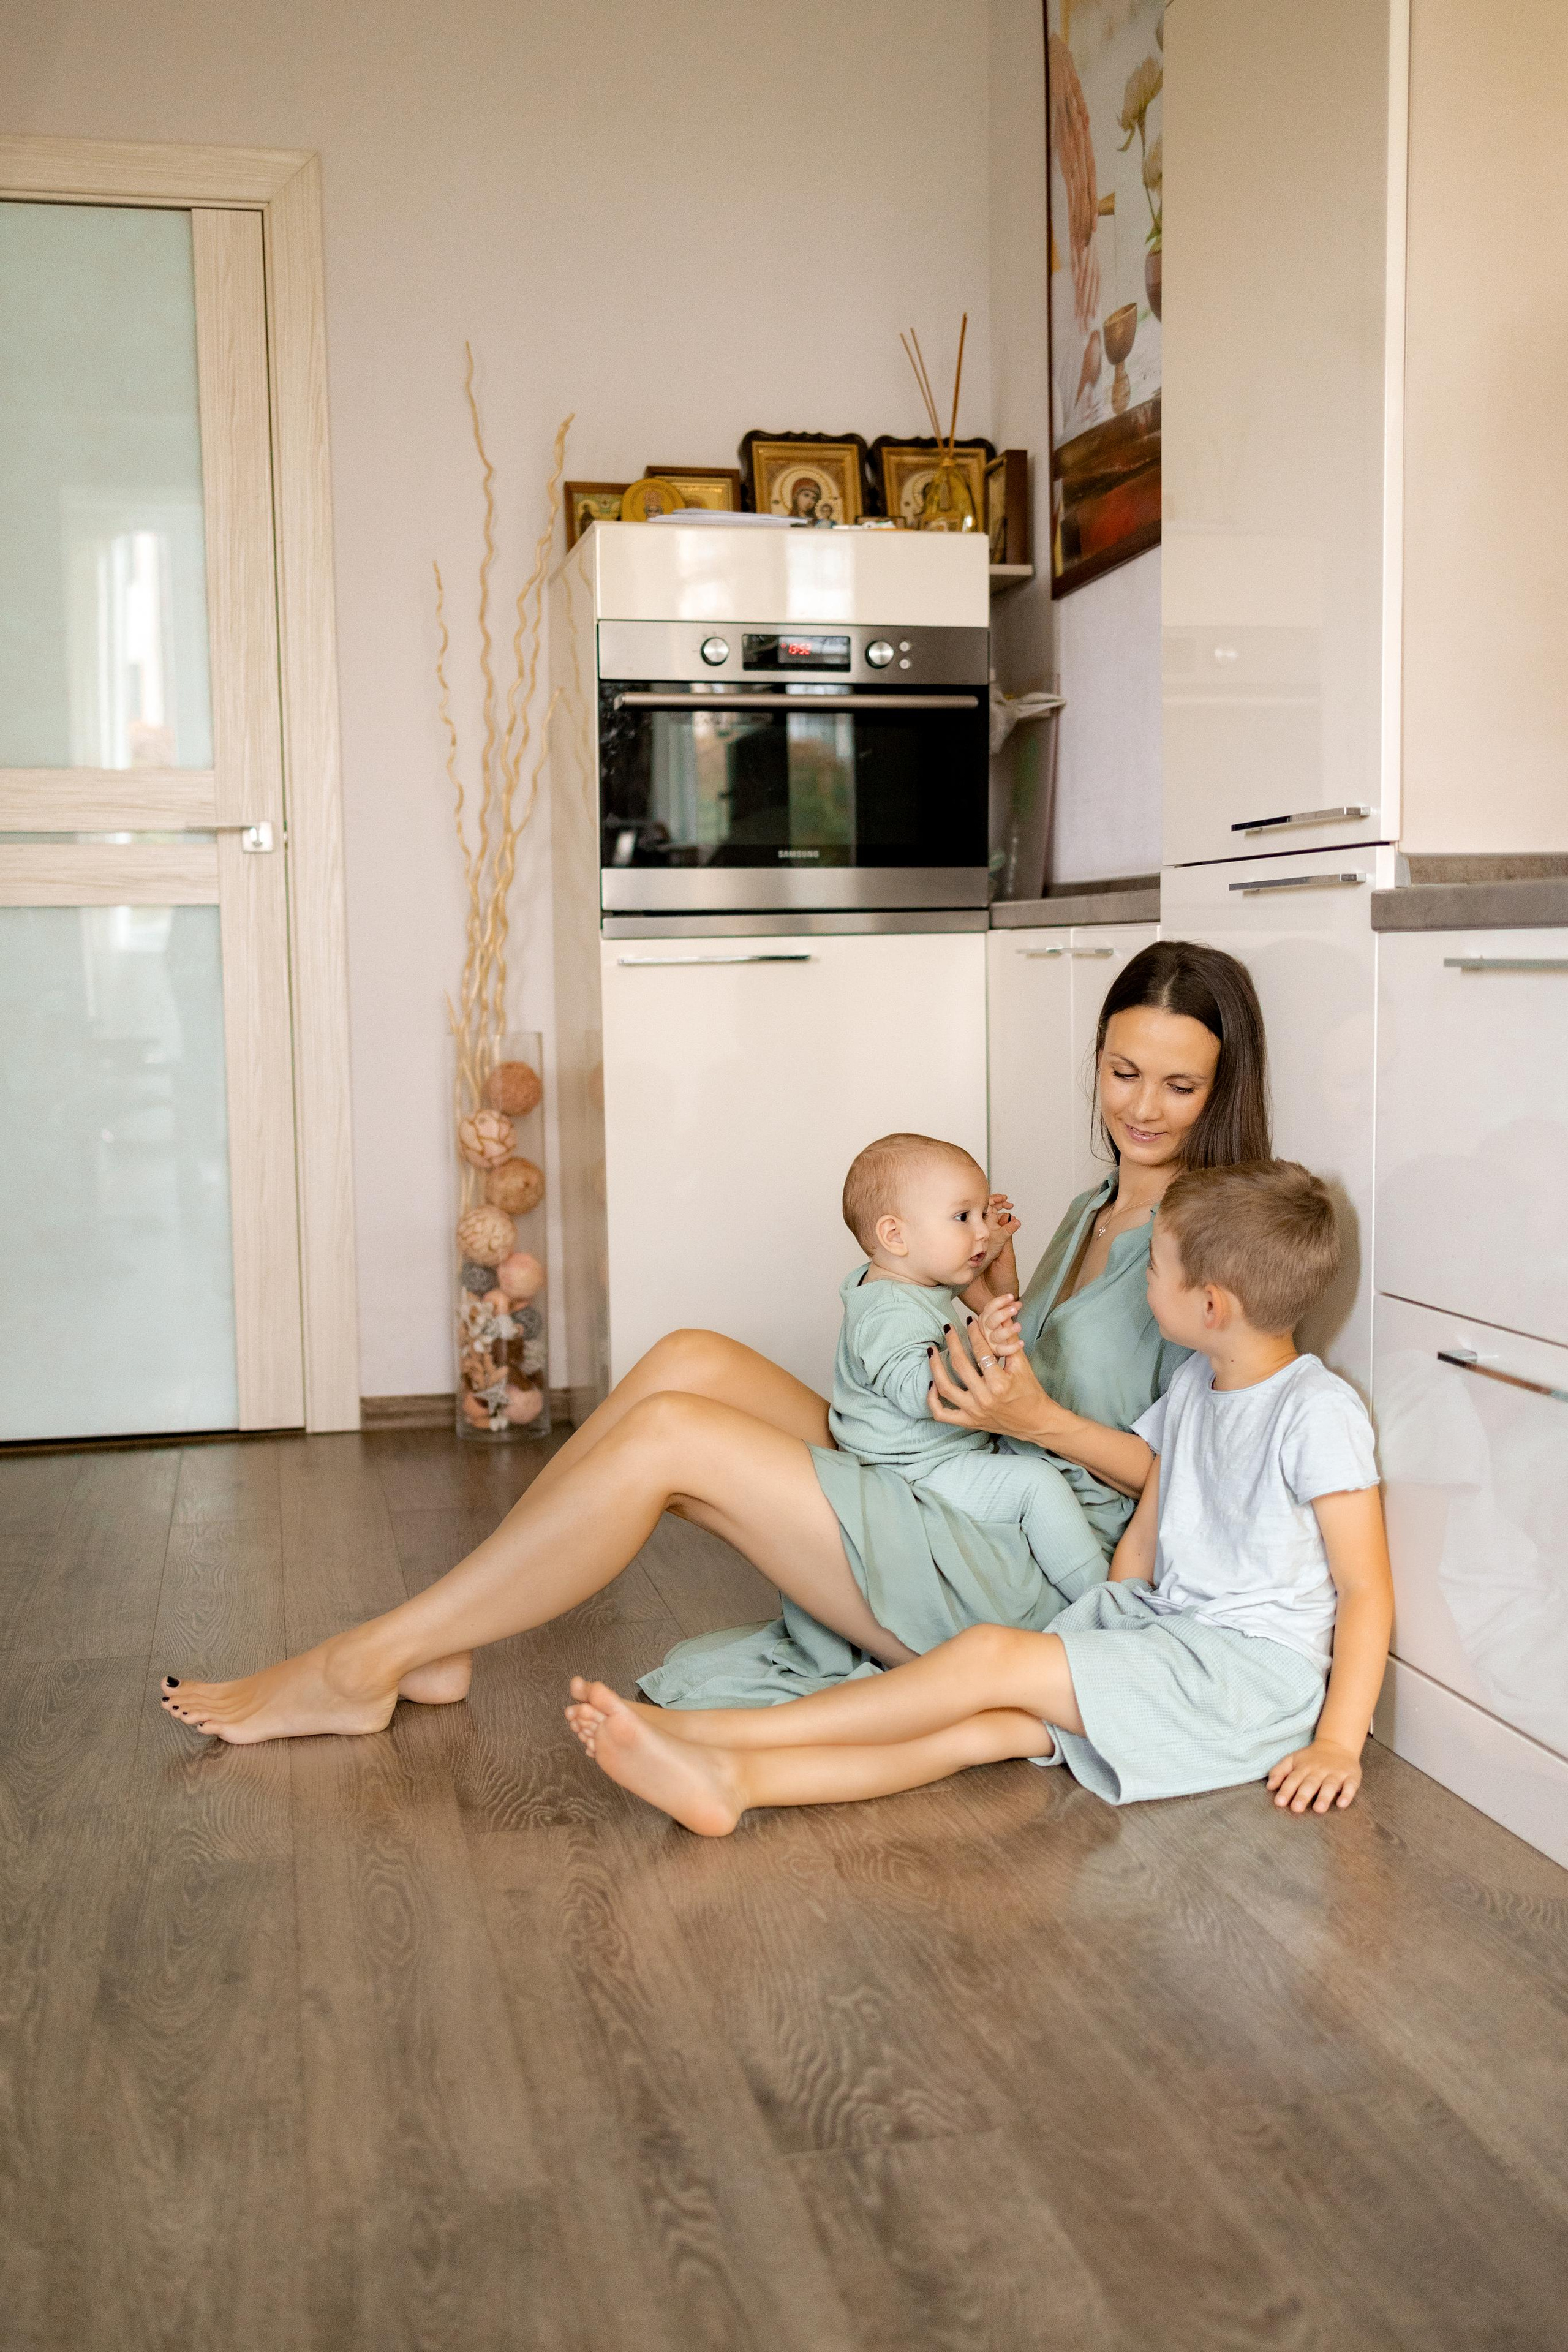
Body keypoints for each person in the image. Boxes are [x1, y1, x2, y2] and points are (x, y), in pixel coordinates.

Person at [157, 941, 1270, 1747]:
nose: (1145, 1107)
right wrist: (983, 1277)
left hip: (1038, 1566)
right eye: (1124, 1073)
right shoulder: (1088, 1210)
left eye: (1180, 1085)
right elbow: (1029, 1347)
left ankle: (367, 1662)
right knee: (690, 1355)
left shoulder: (1215, 1246)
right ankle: (440, 1632)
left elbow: (1201, 1476)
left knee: (672, 1440)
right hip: (972, 1468)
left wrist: (1038, 1422)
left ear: (1221, 1090)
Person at [563, 1161, 1393, 1833]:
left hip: (1242, 1679)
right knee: (981, 1729)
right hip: (1173, 1640)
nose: (1147, 1285)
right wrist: (1112, 1611)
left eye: (1159, 1270)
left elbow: (1364, 1591)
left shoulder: (1315, 1410)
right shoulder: (1198, 1389)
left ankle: (704, 1735)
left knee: (990, 1659)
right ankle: (738, 1783)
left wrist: (1338, 1744)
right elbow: (1154, 1521)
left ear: (1211, 1305)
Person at [830, 1133, 1110, 1577]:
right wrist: (985, 1350)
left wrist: (986, 1255)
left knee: (1034, 1464)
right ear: (895, 1235)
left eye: (983, 1213)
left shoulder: (906, 1281)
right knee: (1038, 1487)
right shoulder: (887, 1314)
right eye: (962, 1217)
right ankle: (1098, 1597)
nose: (982, 1229)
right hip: (912, 1475)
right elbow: (923, 1393)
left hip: (933, 1457)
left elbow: (956, 1288)